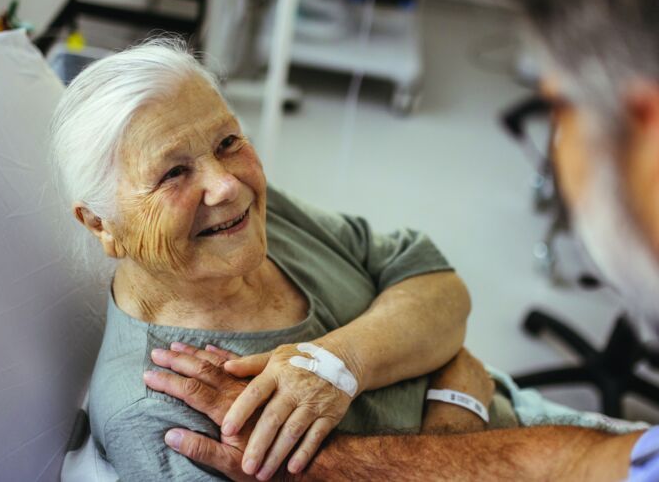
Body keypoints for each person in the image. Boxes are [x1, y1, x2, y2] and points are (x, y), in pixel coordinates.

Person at [151, 0, 659, 479]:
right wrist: (384, 444)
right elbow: (581, 462)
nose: (225, 188)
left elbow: (433, 282)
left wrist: (344, 374)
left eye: (558, 113)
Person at [49, 39, 519, 481]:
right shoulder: (156, 411)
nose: (227, 185)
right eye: (173, 172)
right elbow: (439, 322)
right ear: (100, 224)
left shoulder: (245, 219)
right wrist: (457, 418)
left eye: (227, 141)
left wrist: (339, 363)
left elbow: (435, 281)